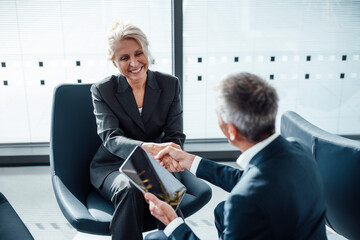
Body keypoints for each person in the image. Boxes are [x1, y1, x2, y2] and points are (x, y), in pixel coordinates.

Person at [144, 72, 327, 240]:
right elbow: (252, 180)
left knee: (156, 238)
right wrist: (189, 160)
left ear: (231, 130)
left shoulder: (243, 202)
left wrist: (172, 221)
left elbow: (251, 188)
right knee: (222, 212)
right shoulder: (299, 149)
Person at [89, 21, 187, 240]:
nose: (134, 63)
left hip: (158, 161)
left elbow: (175, 135)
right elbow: (111, 138)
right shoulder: (102, 90)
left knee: (160, 187)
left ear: (146, 51)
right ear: (114, 62)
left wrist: (166, 158)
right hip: (115, 164)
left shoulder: (169, 84)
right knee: (130, 188)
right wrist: (148, 148)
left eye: (138, 53)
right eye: (124, 58)